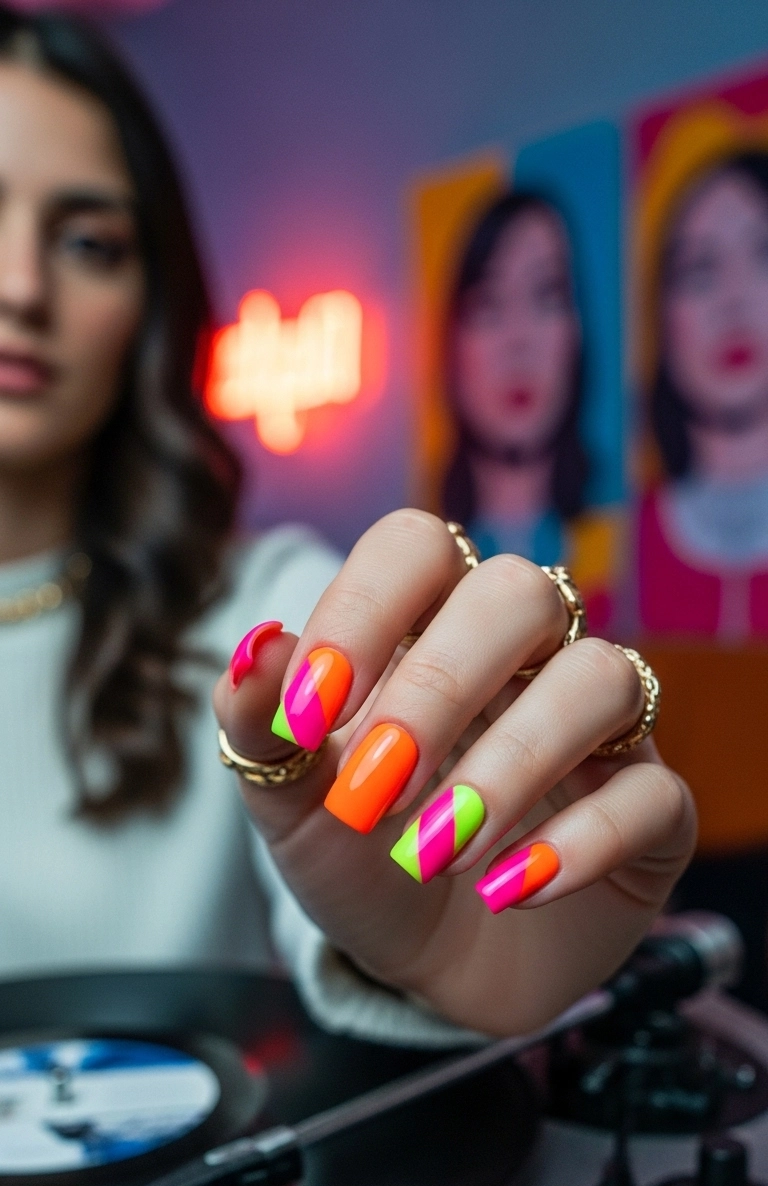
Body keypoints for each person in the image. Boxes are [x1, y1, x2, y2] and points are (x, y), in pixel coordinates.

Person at [0, 7, 695, 1048]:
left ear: (149, 304)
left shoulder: (265, 617)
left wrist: (450, 961)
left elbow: (371, 812)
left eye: (90, 242)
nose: (19, 289)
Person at [636, 152, 768, 1008]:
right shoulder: (626, 541)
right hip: (673, 911)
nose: (732, 298)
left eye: (761, 256)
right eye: (699, 270)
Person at [442, 190, 589, 568]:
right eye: (488, 305)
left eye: (546, 296)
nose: (518, 340)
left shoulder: (623, 544)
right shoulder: (435, 560)